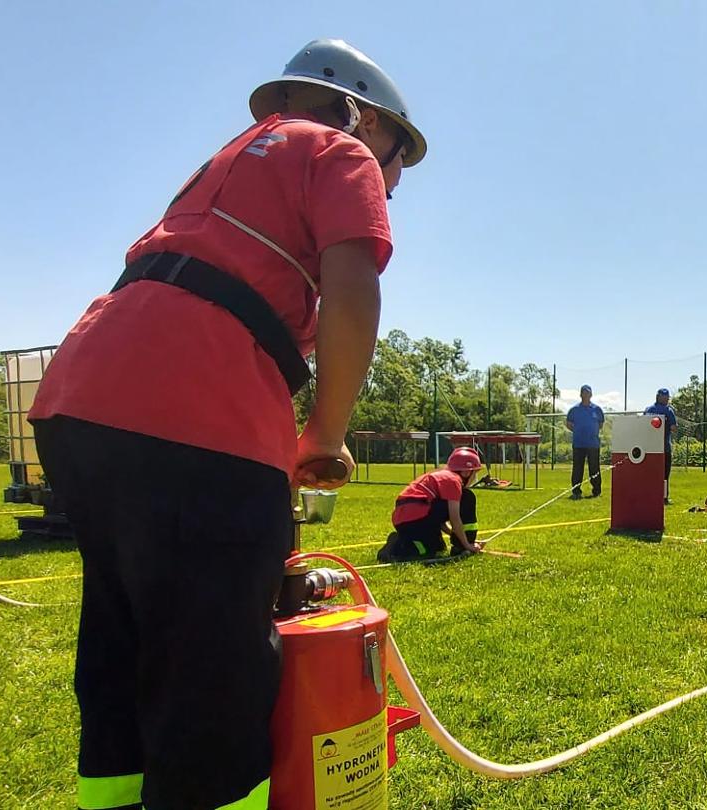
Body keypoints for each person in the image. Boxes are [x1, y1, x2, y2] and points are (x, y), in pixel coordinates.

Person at [27, 38, 426, 810]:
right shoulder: (337, 150)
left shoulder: (236, 160)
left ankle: (112, 797)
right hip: (194, 401)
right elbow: (354, 289)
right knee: (218, 665)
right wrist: (326, 431)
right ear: (367, 119)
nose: (395, 180)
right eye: (399, 157)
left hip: (84, 394)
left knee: (124, 635)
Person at [378, 448, 484, 562]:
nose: (475, 478)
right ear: (467, 472)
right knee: (467, 497)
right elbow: (455, 518)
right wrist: (467, 544)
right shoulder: (453, 481)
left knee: (438, 548)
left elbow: (438, 514)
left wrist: (455, 535)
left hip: (407, 519)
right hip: (415, 518)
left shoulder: (442, 476)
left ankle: (405, 540)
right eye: (475, 473)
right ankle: (398, 546)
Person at [566, 384, 605, 498]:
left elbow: (601, 424)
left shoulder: (597, 409)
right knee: (578, 468)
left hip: (593, 444)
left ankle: (596, 491)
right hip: (578, 444)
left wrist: (592, 432)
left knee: (594, 468)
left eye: (588, 393)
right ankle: (576, 491)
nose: (586, 395)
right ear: (580, 394)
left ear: (591, 395)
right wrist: (578, 431)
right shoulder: (574, 410)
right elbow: (568, 424)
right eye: (584, 393)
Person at [642, 387, 678, 504]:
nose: (667, 400)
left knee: (650, 473)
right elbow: (673, 428)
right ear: (661, 397)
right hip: (664, 448)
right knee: (664, 474)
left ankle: (649, 495)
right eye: (666, 397)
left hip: (649, 448)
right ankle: (664, 497)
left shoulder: (648, 410)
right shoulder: (668, 410)